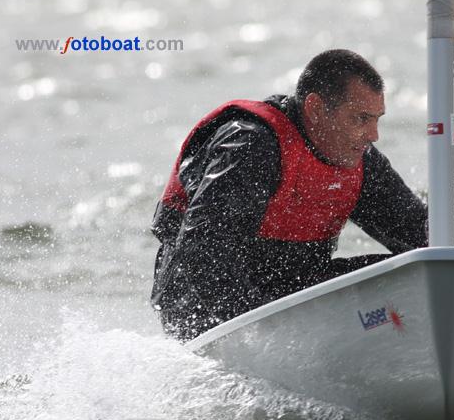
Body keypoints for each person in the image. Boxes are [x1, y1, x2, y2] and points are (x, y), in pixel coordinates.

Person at [151, 49, 429, 341]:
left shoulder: (361, 161)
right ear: (316, 109)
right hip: (202, 307)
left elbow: (417, 230)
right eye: (360, 119)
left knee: (417, 274)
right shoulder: (252, 145)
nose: (373, 135)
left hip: (288, 295)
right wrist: (262, 334)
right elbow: (204, 252)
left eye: (376, 119)